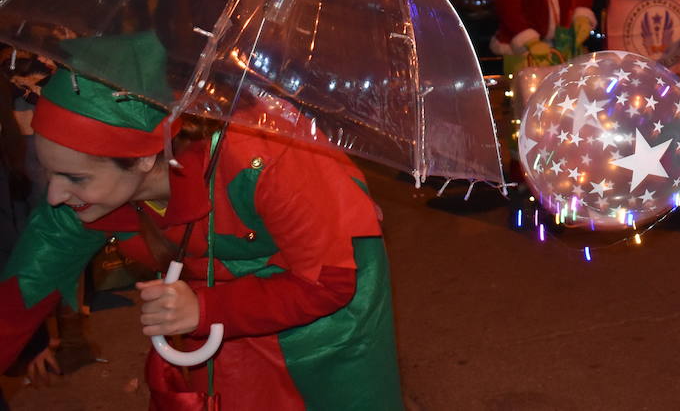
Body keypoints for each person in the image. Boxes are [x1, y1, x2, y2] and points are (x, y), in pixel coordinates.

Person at [0, 33, 403, 409]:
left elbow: (328, 280)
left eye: (74, 178)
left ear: (142, 158)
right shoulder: (82, 199)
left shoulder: (266, 156)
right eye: (49, 172)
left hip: (326, 303)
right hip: (212, 302)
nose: (53, 195)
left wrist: (207, 307)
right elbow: (20, 296)